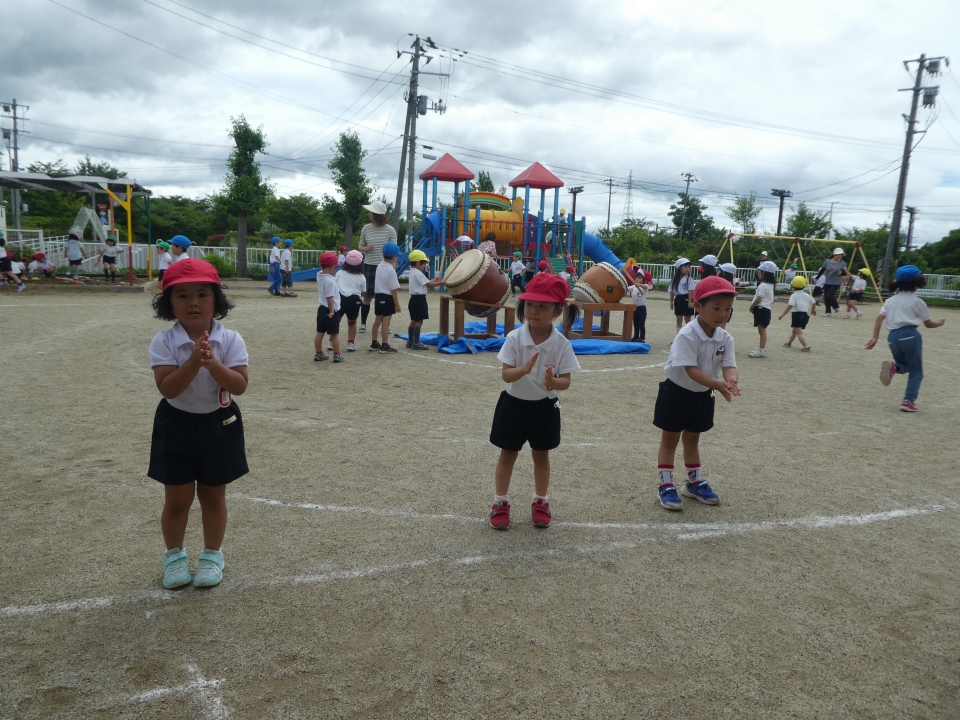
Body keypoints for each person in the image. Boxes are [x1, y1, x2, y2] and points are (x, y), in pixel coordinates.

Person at [147, 258, 249, 589]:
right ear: (168, 303)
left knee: (213, 496)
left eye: (203, 294)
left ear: (217, 299)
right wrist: (193, 361)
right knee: (177, 499)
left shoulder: (230, 339)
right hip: (175, 424)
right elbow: (168, 389)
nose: (193, 302)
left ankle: (212, 555)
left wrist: (212, 364)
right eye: (182, 295)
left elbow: (239, 386)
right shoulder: (164, 341)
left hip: (219, 424)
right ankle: (174, 557)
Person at [488, 274, 581, 530]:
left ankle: (541, 501)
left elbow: (566, 381)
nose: (534, 311)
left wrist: (554, 381)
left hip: (545, 408)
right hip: (513, 406)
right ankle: (500, 502)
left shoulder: (561, 344)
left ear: (558, 311)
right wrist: (523, 370)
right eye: (529, 304)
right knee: (508, 454)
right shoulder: (515, 338)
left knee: (541, 456)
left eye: (543, 306)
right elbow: (506, 375)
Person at [654, 276, 740, 511]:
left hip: (702, 394)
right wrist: (718, 385)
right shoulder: (687, 334)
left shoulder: (725, 338)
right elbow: (690, 370)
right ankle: (665, 485)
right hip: (676, 393)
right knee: (670, 439)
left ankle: (693, 482)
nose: (723, 314)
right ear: (698, 305)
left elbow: (728, 365)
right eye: (716, 308)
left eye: (728, 309)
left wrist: (731, 379)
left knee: (693, 438)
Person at [865, 265, 945, 412]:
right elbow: (928, 324)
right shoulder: (917, 301)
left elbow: (879, 318)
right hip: (910, 335)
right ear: (917, 282)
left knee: (904, 365)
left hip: (893, 337)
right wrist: (939, 323)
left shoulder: (890, 301)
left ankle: (894, 367)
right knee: (916, 372)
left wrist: (875, 337)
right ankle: (908, 401)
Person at [357, 200, 397, 333]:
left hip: (385, 267)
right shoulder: (366, 228)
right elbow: (360, 247)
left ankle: (385, 325)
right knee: (367, 296)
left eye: (370, 212)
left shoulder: (390, 230)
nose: (369, 214)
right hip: (369, 264)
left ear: (376, 214)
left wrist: (393, 268)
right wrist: (365, 248)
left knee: (385, 296)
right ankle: (363, 323)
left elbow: (394, 250)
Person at [406, 249, 446, 350]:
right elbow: (428, 284)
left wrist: (434, 280)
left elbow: (425, 283)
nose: (424, 265)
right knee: (419, 321)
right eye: (424, 263)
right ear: (418, 263)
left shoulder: (413, 272)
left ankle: (410, 341)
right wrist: (440, 283)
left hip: (413, 300)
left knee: (413, 321)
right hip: (419, 300)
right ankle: (416, 343)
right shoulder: (418, 273)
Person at [369, 241, 401, 354]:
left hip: (378, 297)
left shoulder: (379, 266)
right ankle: (385, 345)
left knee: (377, 321)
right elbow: (393, 289)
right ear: (394, 257)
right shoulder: (391, 271)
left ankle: (374, 342)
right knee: (386, 323)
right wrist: (396, 304)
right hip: (387, 298)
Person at [314, 252, 343, 363]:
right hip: (330, 309)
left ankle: (318, 353)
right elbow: (329, 298)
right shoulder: (330, 281)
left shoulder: (319, 276)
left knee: (320, 332)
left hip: (321, 309)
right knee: (334, 334)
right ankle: (337, 355)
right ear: (332, 268)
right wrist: (331, 311)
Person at [337, 250, 366, 352]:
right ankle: (350, 343)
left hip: (340, 298)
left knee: (336, 320)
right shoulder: (361, 277)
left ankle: (331, 341)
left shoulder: (340, 273)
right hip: (353, 300)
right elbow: (363, 292)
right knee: (352, 323)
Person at [748, 260, 777, 358]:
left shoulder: (763, 285)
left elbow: (759, 299)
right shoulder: (770, 285)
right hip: (765, 309)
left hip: (761, 309)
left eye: (759, 271)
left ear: (763, 272)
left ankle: (761, 350)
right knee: (761, 330)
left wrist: (752, 307)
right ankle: (761, 349)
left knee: (762, 331)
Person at [779, 275, 816, 352]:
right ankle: (788, 343)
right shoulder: (807, 295)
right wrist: (813, 310)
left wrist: (783, 314)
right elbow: (813, 302)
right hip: (805, 315)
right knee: (795, 330)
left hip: (797, 315)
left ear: (792, 286)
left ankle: (806, 346)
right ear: (804, 286)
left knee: (799, 332)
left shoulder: (794, 295)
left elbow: (790, 305)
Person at [813, 248, 848, 317]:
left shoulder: (842, 263)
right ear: (835, 255)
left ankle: (837, 307)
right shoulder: (827, 261)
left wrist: (841, 273)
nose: (841, 256)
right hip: (828, 281)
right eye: (840, 254)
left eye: (842, 255)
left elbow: (845, 272)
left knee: (830, 295)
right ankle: (828, 312)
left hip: (836, 282)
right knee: (826, 297)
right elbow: (822, 270)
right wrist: (816, 278)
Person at [668, 258, 695, 331]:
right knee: (678, 320)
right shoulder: (674, 279)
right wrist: (671, 302)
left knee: (688, 320)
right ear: (680, 268)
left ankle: (689, 335)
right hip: (678, 299)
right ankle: (679, 335)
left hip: (686, 298)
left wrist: (690, 301)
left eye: (689, 267)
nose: (687, 269)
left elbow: (690, 290)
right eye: (685, 267)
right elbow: (671, 291)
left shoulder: (689, 279)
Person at [628, 269, 652, 343]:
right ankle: (636, 336)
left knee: (641, 324)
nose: (637, 279)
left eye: (639, 278)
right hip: (634, 308)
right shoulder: (633, 287)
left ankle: (642, 337)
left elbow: (646, 287)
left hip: (642, 308)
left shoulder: (645, 287)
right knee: (635, 323)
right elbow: (627, 288)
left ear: (644, 280)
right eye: (637, 277)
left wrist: (639, 285)